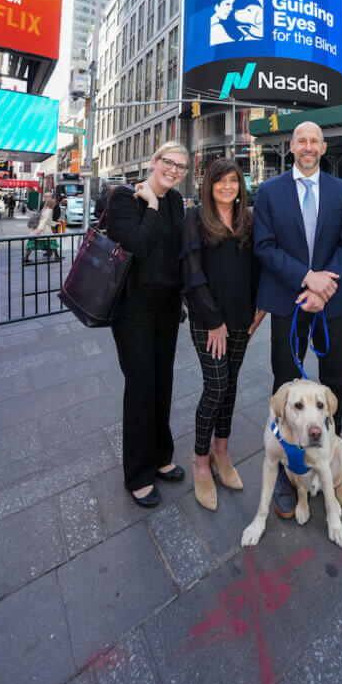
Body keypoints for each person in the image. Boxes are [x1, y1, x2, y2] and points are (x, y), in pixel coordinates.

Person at [253, 120, 342, 519]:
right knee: (284, 383)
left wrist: (323, 287)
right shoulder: (268, 191)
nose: (308, 146)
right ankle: (287, 466)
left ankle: (330, 454)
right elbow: (263, 247)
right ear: (292, 146)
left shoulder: (341, 190)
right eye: (301, 140)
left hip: (329, 302)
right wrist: (306, 278)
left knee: (338, 380)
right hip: (287, 301)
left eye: (314, 140)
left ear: (323, 145)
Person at [106, 141, 189, 508]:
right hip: (133, 308)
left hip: (167, 306)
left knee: (163, 382)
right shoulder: (125, 198)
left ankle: (161, 455)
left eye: (181, 167)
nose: (174, 170)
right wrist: (151, 207)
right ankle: (138, 474)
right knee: (140, 387)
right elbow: (137, 244)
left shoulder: (176, 202)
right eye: (168, 163)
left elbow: (177, 253)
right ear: (153, 162)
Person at [181, 158, 265, 511]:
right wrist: (213, 320)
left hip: (242, 318)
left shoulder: (249, 219)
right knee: (215, 387)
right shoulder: (196, 219)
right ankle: (201, 461)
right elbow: (191, 272)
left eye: (234, 180)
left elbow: (260, 265)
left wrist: (260, 309)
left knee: (230, 386)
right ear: (209, 184)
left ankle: (222, 451)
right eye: (221, 181)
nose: (228, 186)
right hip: (208, 321)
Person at [24, 192, 60, 263]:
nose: (45, 199)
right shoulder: (45, 209)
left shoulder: (48, 210)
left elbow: (46, 220)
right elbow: (45, 220)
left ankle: (26, 258)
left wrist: (55, 224)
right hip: (43, 230)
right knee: (51, 243)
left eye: (46, 197)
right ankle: (56, 256)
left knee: (32, 243)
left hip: (42, 229)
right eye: (45, 197)